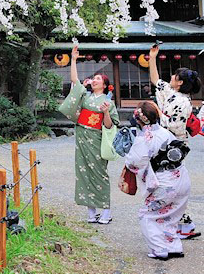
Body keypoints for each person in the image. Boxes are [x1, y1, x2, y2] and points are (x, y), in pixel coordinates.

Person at [123, 101, 191, 261]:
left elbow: (134, 162)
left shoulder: (144, 138)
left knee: (147, 215)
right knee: (171, 215)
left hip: (164, 184)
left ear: (139, 119)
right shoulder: (165, 132)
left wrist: (126, 154)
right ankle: (174, 247)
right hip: (181, 178)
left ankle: (159, 249)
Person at [59, 44, 118, 224]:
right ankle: (91, 212)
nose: (94, 80)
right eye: (93, 78)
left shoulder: (108, 102)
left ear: (105, 85)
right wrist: (74, 59)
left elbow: (109, 125)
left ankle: (106, 210)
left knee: (100, 174)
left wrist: (106, 112)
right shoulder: (85, 96)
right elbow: (75, 81)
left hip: (96, 138)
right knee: (83, 173)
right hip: (82, 137)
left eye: (98, 79)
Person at [148, 42, 201, 238]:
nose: (170, 77)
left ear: (179, 82)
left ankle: (173, 224)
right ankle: (183, 224)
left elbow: (173, 126)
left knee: (169, 186)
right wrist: (152, 57)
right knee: (170, 186)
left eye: (174, 75)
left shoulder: (181, 101)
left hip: (172, 149)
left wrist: (155, 112)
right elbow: (156, 80)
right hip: (165, 145)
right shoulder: (172, 93)